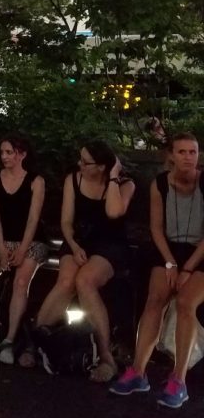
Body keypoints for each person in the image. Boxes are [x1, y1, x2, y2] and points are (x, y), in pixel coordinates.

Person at [111, 132, 204, 406]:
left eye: (193, 152)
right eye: (182, 152)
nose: (188, 157)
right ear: (171, 156)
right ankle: (138, 372)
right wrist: (170, 263)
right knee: (154, 300)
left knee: (186, 302)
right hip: (170, 250)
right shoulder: (160, 184)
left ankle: (179, 380)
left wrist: (186, 269)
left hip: (199, 253)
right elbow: (156, 228)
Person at [35, 141, 135, 382]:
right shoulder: (74, 179)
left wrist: (112, 178)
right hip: (79, 239)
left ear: (102, 166)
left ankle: (105, 355)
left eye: (85, 162)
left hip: (110, 244)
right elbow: (66, 221)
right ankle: (38, 341)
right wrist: (75, 245)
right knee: (67, 280)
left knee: (85, 281)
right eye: (79, 159)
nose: (79, 165)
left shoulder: (126, 184)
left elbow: (114, 212)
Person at [0, 135, 46, 367]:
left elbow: (33, 218)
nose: (4, 157)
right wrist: (1, 248)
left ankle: (10, 338)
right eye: (2, 152)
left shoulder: (35, 181)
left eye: (9, 152)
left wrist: (22, 248)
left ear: (22, 154)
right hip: (2, 239)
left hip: (30, 241)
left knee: (21, 281)